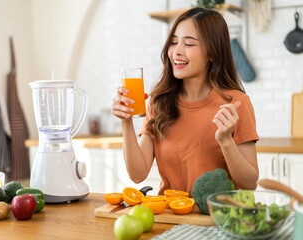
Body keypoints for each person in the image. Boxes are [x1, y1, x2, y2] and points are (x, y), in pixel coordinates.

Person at [111, 7, 259, 196]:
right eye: (173, 42)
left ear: (212, 53)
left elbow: (249, 183)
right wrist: (126, 121)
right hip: (171, 216)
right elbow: (137, 174)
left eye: (189, 44)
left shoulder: (235, 103)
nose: (177, 52)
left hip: (216, 219)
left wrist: (226, 141)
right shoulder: (158, 102)